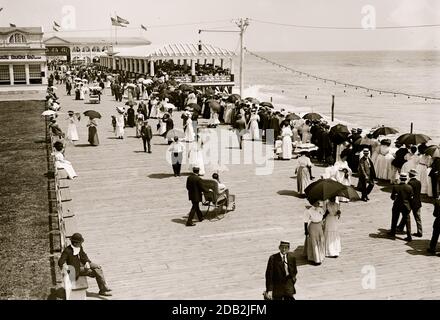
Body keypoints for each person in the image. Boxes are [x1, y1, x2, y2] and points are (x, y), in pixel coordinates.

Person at [388, 173, 413, 241]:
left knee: (394, 218)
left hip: (397, 205)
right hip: (406, 205)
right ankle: (409, 235)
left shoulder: (396, 187)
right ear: (406, 179)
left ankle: (392, 232)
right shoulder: (409, 187)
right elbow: (411, 198)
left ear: (400, 178)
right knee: (407, 220)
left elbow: (392, 197)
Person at [397, 169, 422, 237]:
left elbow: (409, 194)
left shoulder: (410, 183)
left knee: (406, 216)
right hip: (418, 202)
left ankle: (400, 227)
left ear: (410, 175)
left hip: (411, 202)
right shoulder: (419, 182)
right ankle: (420, 231)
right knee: (418, 218)